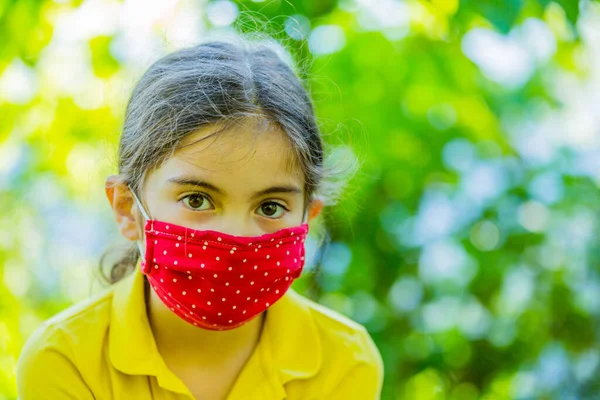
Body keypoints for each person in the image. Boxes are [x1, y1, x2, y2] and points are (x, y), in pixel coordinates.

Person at [16, 34, 384, 399]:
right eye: (196, 199)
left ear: (308, 218)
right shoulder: (65, 359)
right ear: (128, 208)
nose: (234, 236)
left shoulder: (346, 361)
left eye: (269, 207)